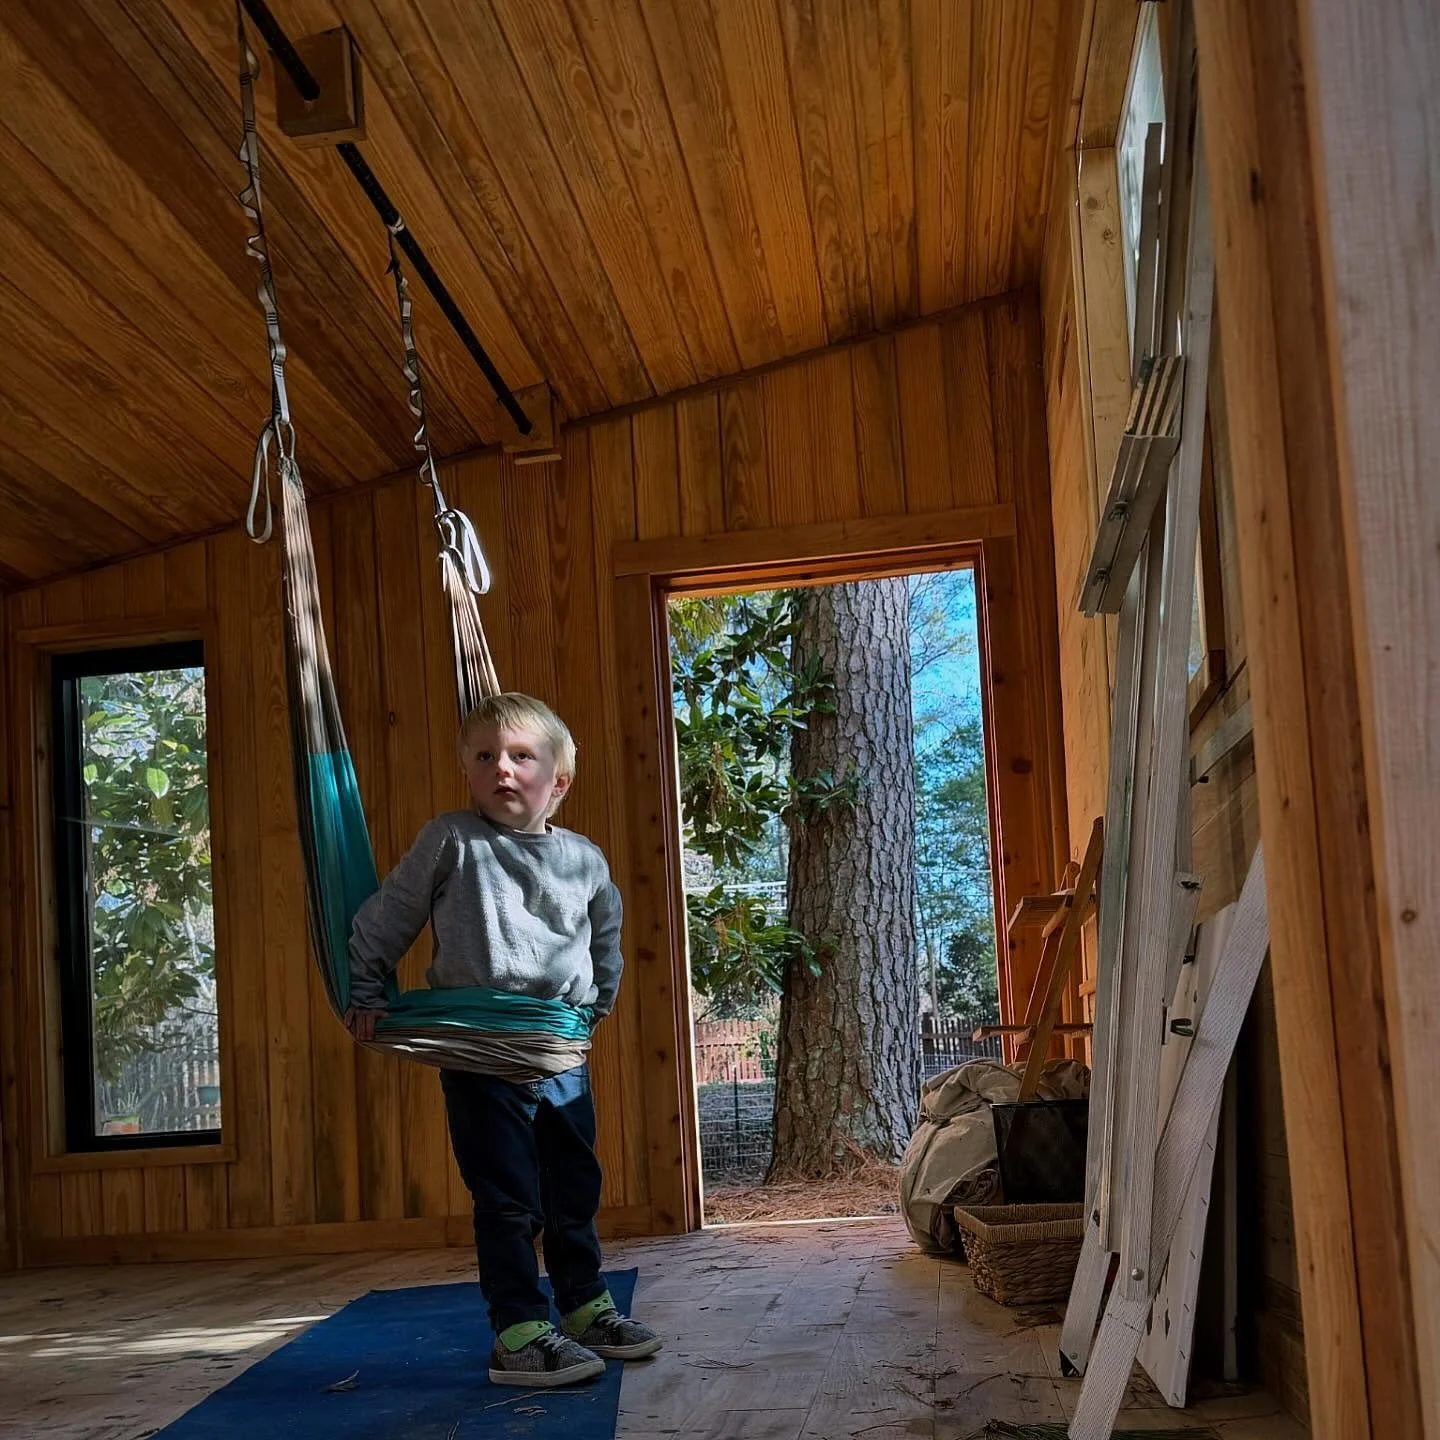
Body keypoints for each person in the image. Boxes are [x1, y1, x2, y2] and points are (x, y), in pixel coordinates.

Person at [344, 692, 661, 1388]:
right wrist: (365, 988)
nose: (503, 770)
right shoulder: (452, 839)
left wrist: (597, 1007)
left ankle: (584, 1307)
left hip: (558, 1052)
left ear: (559, 780)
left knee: (572, 1188)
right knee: (509, 1198)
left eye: (522, 756)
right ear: (467, 772)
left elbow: (604, 939)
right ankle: (518, 1329)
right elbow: (388, 915)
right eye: (485, 757)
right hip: (480, 1054)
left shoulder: (584, 858)